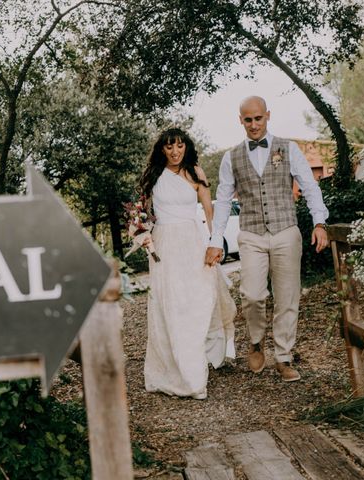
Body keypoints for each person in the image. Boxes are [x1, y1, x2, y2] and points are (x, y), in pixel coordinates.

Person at [205, 96, 329, 382]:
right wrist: (215, 240)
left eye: (258, 118)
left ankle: (284, 357)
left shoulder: (288, 148)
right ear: (241, 120)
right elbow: (222, 201)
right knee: (252, 294)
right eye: (248, 119)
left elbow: (310, 187)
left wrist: (319, 222)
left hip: (286, 231)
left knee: (288, 296)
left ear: (267, 116)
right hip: (251, 234)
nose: (253, 124)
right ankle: (256, 341)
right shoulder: (231, 157)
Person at [140, 127, 236, 399]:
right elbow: (142, 215)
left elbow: (209, 210)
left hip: (193, 243)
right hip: (164, 246)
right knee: (169, 305)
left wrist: (214, 242)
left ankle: (197, 359)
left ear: (186, 147)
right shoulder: (153, 176)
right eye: (169, 146)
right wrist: (142, 234)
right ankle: (183, 375)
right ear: (162, 149)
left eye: (179, 146)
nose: (174, 151)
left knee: (198, 301)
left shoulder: (196, 172)